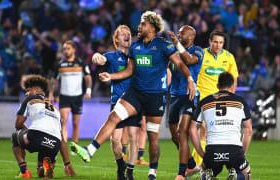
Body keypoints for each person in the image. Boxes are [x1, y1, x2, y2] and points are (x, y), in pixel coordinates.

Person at [71, 11, 195, 180]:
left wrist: (189, 79)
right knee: (113, 117)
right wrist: (111, 76)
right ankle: (90, 150)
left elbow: (180, 63)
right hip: (135, 92)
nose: (139, 26)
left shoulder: (163, 45)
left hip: (155, 96)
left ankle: (152, 173)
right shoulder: (135, 47)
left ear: (151, 28)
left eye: (142, 24)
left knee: (152, 137)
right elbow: (129, 71)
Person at [88, 25, 142, 180]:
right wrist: (96, 56)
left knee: (133, 136)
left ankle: (130, 172)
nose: (127, 36)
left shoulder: (137, 55)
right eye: (123, 34)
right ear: (117, 39)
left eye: (129, 34)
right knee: (115, 140)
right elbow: (101, 59)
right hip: (117, 102)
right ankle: (120, 164)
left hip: (135, 102)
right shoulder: (112, 56)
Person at [189, 71, 252, 180]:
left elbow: (192, 129)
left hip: (212, 150)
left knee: (206, 170)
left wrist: (202, 154)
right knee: (246, 173)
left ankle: (207, 176)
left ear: (217, 86)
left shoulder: (205, 102)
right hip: (234, 150)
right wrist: (243, 153)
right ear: (233, 86)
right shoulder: (240, 101)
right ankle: (237, 177)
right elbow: (248, 130)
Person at [193, 30, 239, 166]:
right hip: (202, 98)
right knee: (204, 130)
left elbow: (234, 79)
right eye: (215, 42)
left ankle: (199, 164)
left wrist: (230, 95)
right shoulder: (201, 54)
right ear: (210, 42)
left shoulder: (229, 57)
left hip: (220, 100)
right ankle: (198, 164)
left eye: (221, 43)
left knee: (212, 133)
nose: (218, 45)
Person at [167, 25, 204, 180]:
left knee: (183, 131)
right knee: (174, 136)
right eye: (178, 32)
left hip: (190, 96)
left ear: (191, 36)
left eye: (182, 32)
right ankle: (191, 164)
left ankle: (182, 173)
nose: (179, 34)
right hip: (174, 96)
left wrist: (176, 43)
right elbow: (168, 69)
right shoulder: (174, 52)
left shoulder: (197, 51)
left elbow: (188, 61)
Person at [11, 75, 61, 178]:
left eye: (28, 90)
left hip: (36, 136)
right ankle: (47, 167)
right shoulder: (55, 107)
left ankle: (24, 172)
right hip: (55, 143)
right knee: (40, 173)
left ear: (37, 90)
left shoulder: (30, 99)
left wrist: (28, 131)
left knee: (15, 136)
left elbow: (18, 124)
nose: (27, 93)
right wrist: (67, 163)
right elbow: (60, 133)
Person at [49, 40, 92, 146]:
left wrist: (88, 91)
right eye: (64, 49)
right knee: (63, 121)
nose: (66, 51)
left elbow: (88, 78)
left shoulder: (81, 63)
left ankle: (75, 145)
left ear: (74, 50)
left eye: (68, 49)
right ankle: (63, 145)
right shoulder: (60, 64)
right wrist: (51, 93)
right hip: (64, 96)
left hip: (77, 97)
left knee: (75, 123)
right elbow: (54, 80)